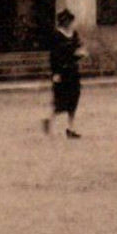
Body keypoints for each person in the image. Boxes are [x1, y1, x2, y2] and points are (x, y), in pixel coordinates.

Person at [42, 9, 87, 139]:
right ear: (63, 22)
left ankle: (70, 128)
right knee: (60, 100)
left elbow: (78, 47)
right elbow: (54, 55)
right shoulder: (56, 35)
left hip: (73, 71)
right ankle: (49, 120)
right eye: (68, 21)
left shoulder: (74, 34)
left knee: (74, 99)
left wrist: (81, 54)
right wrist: (55, 72)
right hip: (62, 71)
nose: (70, 23)